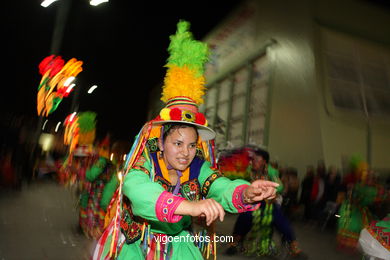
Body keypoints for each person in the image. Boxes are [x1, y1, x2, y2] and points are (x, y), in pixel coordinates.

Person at [92, 20, 279, 260]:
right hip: (138, 247)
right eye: (177, 143)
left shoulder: (197, 167)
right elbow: (136, 189)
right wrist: (190, 207)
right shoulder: (146, 163)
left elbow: (220, 186)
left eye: (192, 145)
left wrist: (246, 193)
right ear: (161, 142)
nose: (186, 152)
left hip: (181, 247)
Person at [224, 146, 304, 258]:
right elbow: (241, 182)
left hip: (268, 202)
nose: (253, 162)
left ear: (264, 162)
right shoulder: (249, 170)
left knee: (281, 221)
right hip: (253, 202)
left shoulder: (272, 171)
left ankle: (293, 247)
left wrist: (270, 190)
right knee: (244, 218)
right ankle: (234, 243)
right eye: (253, 160)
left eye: (257, 160)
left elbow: (279, 186)